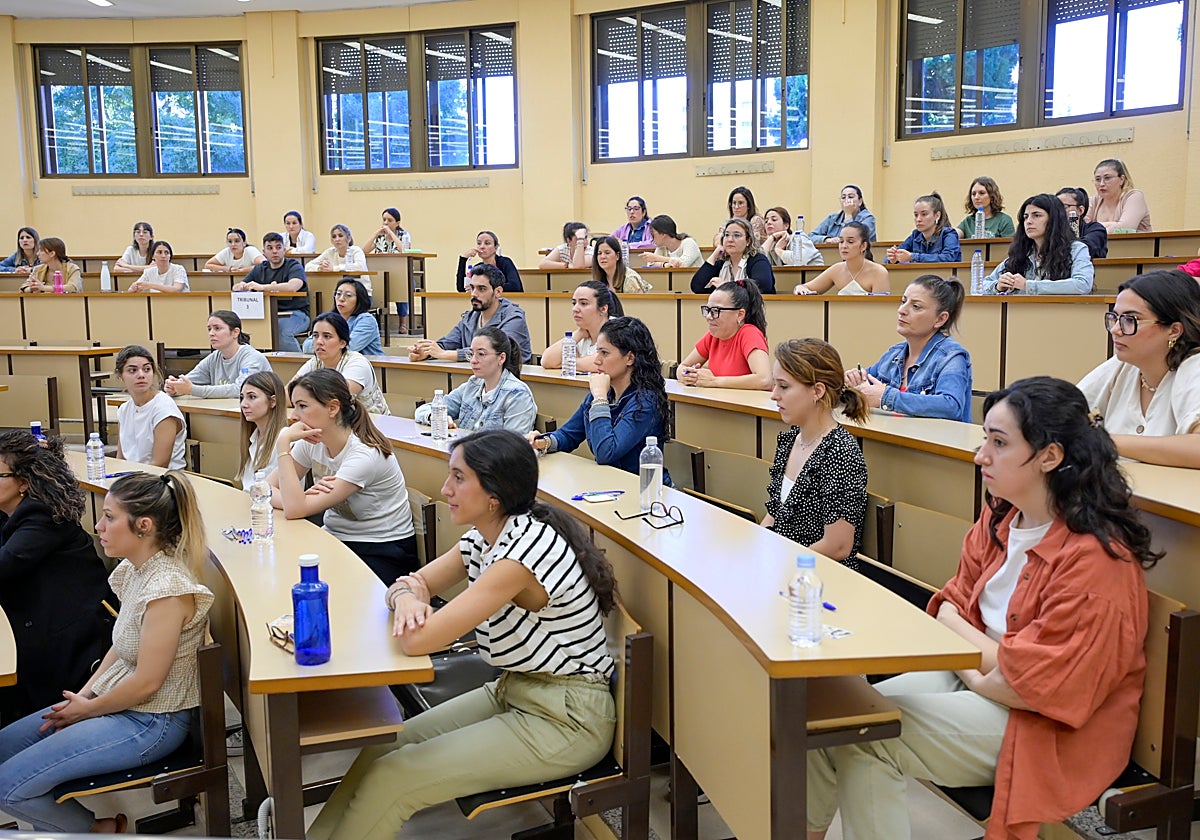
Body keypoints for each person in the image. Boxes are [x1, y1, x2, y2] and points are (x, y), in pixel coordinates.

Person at [806, 376, 1158, 840]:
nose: (980, 456)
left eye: (998, 443)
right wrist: (983, 663)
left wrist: (976, 656)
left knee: (870, 737)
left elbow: (1031, 689)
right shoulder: (1001, 517)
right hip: (980, 677)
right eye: (983, 439)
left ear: (1049, 457)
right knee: (825, 717)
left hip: (1048, 727)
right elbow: (950, 604)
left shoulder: (1095, 560)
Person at [307, 429, 617, 840]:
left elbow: (417, 640)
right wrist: (408, 599)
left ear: (494, 494)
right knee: (381, 748)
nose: (444, 489)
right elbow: (411, 582)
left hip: (567, 717)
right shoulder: (487, 536)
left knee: (395, 777)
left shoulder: (520, 554)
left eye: (457, 477)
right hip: (516, 689)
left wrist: (412, 602)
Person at [0, 470, 214, 834]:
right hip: (120, 703)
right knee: (3, 746)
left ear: (143, 525)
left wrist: (89, 709)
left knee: (8, 788)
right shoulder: (137, 569)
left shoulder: (167, 591)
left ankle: (95, 830)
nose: (98, 525)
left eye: (110, 517)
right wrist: (83, 695)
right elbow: (122, 642)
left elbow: (147, 683)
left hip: (151, 722)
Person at [0, 431, 114, 726]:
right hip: (39, 618)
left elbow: (5, 565)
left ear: (23, 483)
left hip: (69, 639)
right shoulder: (8, 512)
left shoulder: (42, 517)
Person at [270, 369, 416, 584]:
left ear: (333, 408)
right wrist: (299, 500)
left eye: (302, 406)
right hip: (335, 538)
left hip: (382, 550)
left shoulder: (364, 454)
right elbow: (263, 489)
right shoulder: (312, 442)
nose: (293, 416)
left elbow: (294, 510)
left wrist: (283, 444)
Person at [762, 339, 870, 569]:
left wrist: (781, 567)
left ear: (817, 391)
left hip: (816, 577)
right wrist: (757, 551)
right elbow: (774, 514)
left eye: (784, 386)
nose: (774, 395)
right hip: (785, 567)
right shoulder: (790, 439)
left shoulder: (841, 452)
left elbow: (837, 546)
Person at [1078, 270, 1200, 468]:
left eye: (1130, 320)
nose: (1116, 330)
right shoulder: (1121, 365)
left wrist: (1103, 441)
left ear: (1174, 330)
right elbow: (1064, 412)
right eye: (1114, 318)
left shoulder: (1195, 367)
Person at [529, 317, 672, 482]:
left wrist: (599, 399)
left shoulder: (646, 402)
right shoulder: (604, 392)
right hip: (612, 484)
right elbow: (569, 435)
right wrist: (544, 442)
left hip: (645, 491)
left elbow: (606, 452)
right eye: (597, 351)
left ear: (630, 358)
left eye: (604, 353)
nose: (596, 360)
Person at [845, 276, 972, 421]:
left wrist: (885, 397)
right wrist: (851, 380)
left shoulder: (951, 357)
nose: (902, 310)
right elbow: (866, 381)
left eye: (916, 306)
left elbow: (951, 406)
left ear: (940, 319)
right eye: (904, 301)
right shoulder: (894, 354)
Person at [414, 327, 536, 434]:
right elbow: (423, 410)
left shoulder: (518, 395)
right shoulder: (472, 385)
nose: (473, 360)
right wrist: (435, 417)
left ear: (501, 358)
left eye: (481, 354)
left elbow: (513, 446)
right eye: (471, 354)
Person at [411, 264, 533, 363]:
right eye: (472, 288)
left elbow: (493, 351)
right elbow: (447, 344)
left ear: (498, 292)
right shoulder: (470, 318)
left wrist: (445, 354)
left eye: (482, 289)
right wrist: (425, 352)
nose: (474, 294)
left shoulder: (514, 317)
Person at [982, 194, 1094, 295]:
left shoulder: (1076, 249)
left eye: (1036, 215)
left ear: (1053, 219)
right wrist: (998, 286)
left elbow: (1082, 285)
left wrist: (1029, 286)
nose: (1028, 221)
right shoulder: (1022, 252)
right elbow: (982, 286)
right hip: (1020, 314)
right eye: (1026, 217)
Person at [677, 279, 771, 390]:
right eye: (707, 310)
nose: (708, 317)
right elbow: (682, 367)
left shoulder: (750, 334)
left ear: (740, 314)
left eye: (716, 310)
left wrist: (714, 381)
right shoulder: (713, 336)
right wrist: (686, 375)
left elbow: (764, 380)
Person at [294, 312, 390, 415]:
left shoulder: (358, 363)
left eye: (327, 336)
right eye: (315, 336)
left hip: (372, 426)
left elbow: (334, 400)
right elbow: (290, 392)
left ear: (342, 343)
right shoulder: (315, 362)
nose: (319, 341)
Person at [164, 310, 272, 399]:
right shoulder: (214, 357)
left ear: (235, 332)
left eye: (217, 328)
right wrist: (175, 387)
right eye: (209, 329)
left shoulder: (252, 357)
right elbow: (189, 381)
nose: (211, 333)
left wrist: (192, 390)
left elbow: (241, 389)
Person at [234, 232, 310, 354]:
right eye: (270, 248)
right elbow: (238, 285)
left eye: (278, 247)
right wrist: (241, 286)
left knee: (280, 330)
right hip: (267, 314)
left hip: (296, 314)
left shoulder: (294, 266)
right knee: (246, 328)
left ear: (284, 249)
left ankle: (299, 364)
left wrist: (263, 287)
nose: (274, 251)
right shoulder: (260, 268)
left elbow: (292, 287)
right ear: (263, 252)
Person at [114, 345, 187, 470]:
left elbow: (160, 465)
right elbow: (121, 459)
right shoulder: (124, 410)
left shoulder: (163, 409)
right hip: (133, 478)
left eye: (147, 369)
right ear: (120, 376)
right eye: (132, 370)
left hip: (162, 481)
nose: (141, 375)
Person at [540, 280, 623, 372]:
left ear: (603, 309)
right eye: (574, 303)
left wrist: (567, 362)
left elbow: (603, 363)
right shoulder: (583, 333)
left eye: (583, 303)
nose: (575, 309)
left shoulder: (618, 330)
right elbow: (547, 361)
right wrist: (577, 335)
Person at [794, 222, 888, 295]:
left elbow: (881, 309)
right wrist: (800, 288)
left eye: (850, 242)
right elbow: (805, 287)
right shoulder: (836, 269)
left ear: (863, 246)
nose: (844, 246)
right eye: (841, 241)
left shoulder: (879, 272)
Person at [691, 217, 777, 294]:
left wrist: (727, 286)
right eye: (727, 235)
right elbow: (697, 287)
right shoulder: (721, 263)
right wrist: (714, 255)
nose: (730, 239)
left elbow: (762, 286)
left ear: (748, 241)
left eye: (737, 235)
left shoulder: (758, 260)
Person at [302, 278, 382, 356]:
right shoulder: (329, 319)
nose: (341, 299)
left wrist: (322, 346)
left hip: (369, 366)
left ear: (359, 299)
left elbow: (349, 347)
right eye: (338, 294)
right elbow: (306, 347)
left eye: (348, 295)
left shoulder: (367, 320)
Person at [237, 370, 287, 492]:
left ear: (273, 401)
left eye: (252, 397)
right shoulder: (253, 437)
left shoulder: (285, 439)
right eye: (242, 398)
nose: (244, 404)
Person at [887, 193, 962, 264]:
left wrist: (913, 257)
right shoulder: (915, 235)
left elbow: (948, 258)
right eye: (916, 215)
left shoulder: (948, 233)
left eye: (924, 214)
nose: (918, 219)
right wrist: (893, 258)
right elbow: (886, 259)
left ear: (937, 215)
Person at [1087, 159, 1151, 233]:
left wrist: (1094, 227)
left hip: (1135, 244)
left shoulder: (1134, 196)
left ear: (1122, 179)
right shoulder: (1094, 200)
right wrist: (1114, 225)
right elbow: (1080, 228)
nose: (1101, 184)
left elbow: (1125, 229)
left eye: (1107, 178)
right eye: (1098, 179)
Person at [307, 224, 372, 297]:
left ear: (348, 238)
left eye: (340, 236)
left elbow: (359, 267)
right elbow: (308, 266)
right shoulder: (329, 252)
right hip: (340, 296)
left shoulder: (356, 250)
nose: (337, 239)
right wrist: (320, 268)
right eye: (334, 237)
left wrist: (334, 269)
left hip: (361, 295)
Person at [454, 230, 522, 293]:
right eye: (479, 243)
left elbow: (515, 287)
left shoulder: (505, 262)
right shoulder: (478, 267)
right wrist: (463, 259)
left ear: (496, 247)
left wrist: (484, 287)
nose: (482, 246)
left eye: (487, 243)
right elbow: (461, 289)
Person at [810, 185, 878, 244]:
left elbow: (852, 239)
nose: (847, 200)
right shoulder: (832, 218)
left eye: (851, 197)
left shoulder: (868, 218)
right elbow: (810, 237)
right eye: (843, 197)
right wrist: (827, 239)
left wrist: (848, 214)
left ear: (860, 201)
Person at [1055, 187, 1108, 259]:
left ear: (1080, 210)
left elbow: (1084, 248)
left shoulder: (1096, 229)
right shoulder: (1051, 230)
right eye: (1056, 208)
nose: (1059, 211)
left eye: (1064, 207)